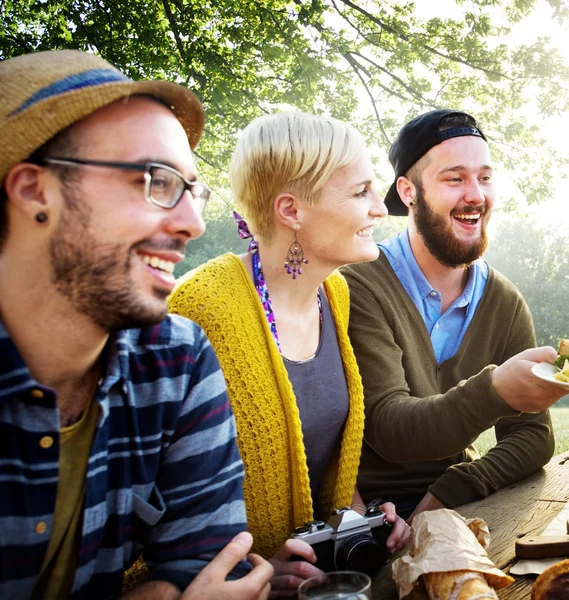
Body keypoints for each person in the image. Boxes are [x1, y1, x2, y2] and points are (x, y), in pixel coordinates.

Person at [0, 49, 273, 599]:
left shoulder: (176, 356)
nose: (192, 224)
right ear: (34, 190)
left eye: (192, 190)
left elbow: (213, 564)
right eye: (156, 180)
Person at [169, 111, 411, 596]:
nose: (380, 209)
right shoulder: (200, 308)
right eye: (360, 191)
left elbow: (320, 455)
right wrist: (254, 570)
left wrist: (358, 521)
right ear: (291, 210)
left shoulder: (335, 294)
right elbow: (149, 505)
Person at [341, 109, 567, 524]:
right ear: (408, 192)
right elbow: (390, 428)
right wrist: (496, 391)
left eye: (484, 177)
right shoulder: (358, 285)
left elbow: (533, 436)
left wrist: (452, 490)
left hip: (459, 504)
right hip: (369, 516)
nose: (476, 195)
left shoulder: (504, 301)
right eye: (454, 178)